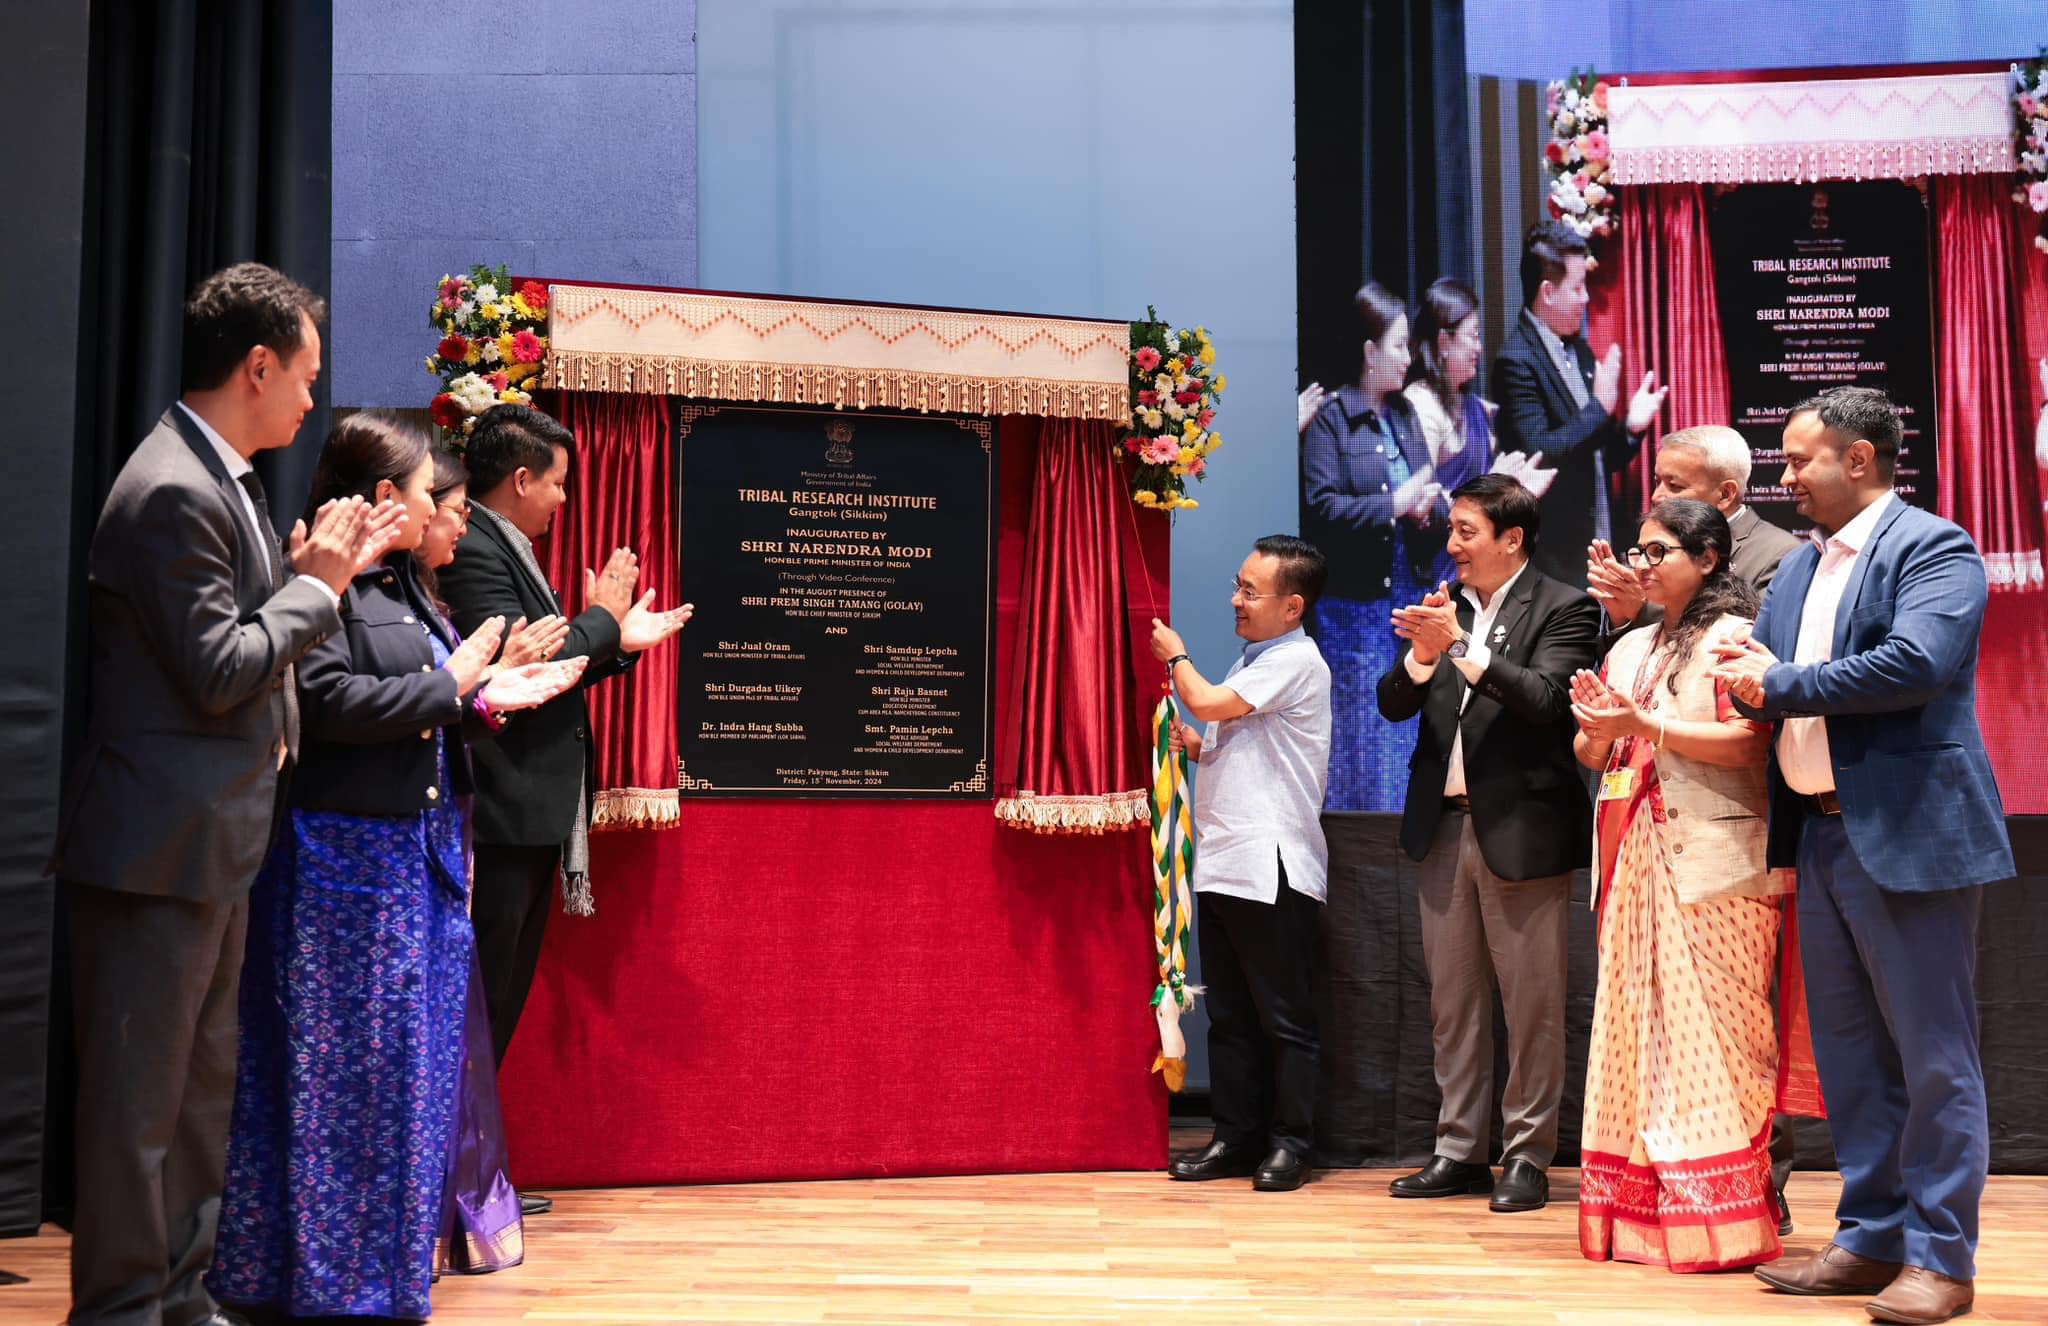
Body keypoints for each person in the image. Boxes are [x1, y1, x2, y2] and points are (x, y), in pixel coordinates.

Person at [50, 262, 405, 1326]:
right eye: (304, 376)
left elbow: (252, 646)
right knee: (136, 1114)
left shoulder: (227, 479)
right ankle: (119, 1311)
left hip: (213, 841)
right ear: (255, 366)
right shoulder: (170, 488)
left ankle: (180, 1296)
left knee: (198, 1101)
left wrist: (306, 585)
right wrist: (319, 587)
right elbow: (216, 667)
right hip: (153, 849)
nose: (311, 398)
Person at [209, 415, 585, 1321]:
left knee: (402, 1082)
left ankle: (382, 1274)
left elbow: (427, 698)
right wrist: (454, 686)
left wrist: (486, 696)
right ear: (385, 498)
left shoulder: (409, 591)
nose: (436, 511)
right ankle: (326, 1282)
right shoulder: (326, 586)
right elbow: (331, 701)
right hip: (341, 864)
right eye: (428, 494)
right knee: (341, 1082)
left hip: (407, 856)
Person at [1715, 387, 2013, 1326]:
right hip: (1824, 833)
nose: (1785, 475)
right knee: (1848, 1058)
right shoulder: (1801, 572)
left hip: (1913, 834)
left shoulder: (1935, 547)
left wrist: (1774, 682)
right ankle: (1870, 1235)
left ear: (1860, 460)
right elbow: (1760, 680)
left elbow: (1914, 664)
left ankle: (1941, 1259)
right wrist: (1737, 672)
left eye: (1801, 459)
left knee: (1933, 1059)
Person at [436, 406, 691, 1116]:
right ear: (521, 479)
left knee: (501, 997)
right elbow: (521, 673)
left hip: (530, 811)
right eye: (557, 484)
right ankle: (456, 1174)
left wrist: (617, 643)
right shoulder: (478, 552)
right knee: (480, 999)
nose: (563, 499)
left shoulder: (505, 543)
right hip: (501, 807)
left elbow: (555, 663)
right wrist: (602, 623)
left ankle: (471, 1175)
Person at [1570, 498, 1791, 1272]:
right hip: (1633, 855)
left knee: (1724, 1040)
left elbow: (1747, 744)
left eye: (1658, 550)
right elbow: (1595, 750)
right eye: (1638, 550)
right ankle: (1643, 1221)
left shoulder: (1735, 639)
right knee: (1635, 1033)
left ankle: (1724, 1224)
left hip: (1713, 865)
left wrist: (1645, 728)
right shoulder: (1629, 646)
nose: (1642, 563)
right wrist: (1599, 729)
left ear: (1707, 558)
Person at [1374, 473, 1599, 1214]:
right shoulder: (1447, 606)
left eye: (1466, 531)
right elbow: (1393, 701)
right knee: (1453, 1003)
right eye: (1451, 530)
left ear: (1512, 539)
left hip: (1522, 832)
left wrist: (1460, 645)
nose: (1451, 544)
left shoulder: (1566, 607)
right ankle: (1458, 1150)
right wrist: (1423, 654)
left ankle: (1528, 1156)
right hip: (1442, 830)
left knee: (1532, 1004)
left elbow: (1542, 701)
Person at [1148, 536, 1332, 1194]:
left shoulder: (1296, 659)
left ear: (1293, 606)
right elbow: (1241, 739)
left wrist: (1179, 660)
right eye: (1238, 585)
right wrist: (1201, 749)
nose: (1236, 599)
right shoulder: (1259, 656)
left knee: (1283, 1018)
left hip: (1272, 867)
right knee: (1230, 1016)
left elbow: (1208, 700)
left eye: (1251, 591)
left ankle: (1291, 1144)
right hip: (1227, 863)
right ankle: (1235, 1135)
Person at [1300, 283, 1437, 811]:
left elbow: (1423, 490)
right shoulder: (1333, 419)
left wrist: (1429, 507)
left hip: (1407, 597)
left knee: (1407, 726)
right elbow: (1321, 509)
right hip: (1353, 608)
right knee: (1360, 731)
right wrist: (1395, 504)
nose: (1408, 358)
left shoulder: (1404, 414)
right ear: (1369, 351)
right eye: (1399, 346)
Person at [1492, 220, 1667, 585]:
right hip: (1553, 560)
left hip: (1597, 548)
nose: (1586, 298)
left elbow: (1598, 456)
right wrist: (1599, 410)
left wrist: (1631, 428)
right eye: (1577, 288)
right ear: (1548, 293)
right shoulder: (1516, 361)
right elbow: (1540, 451)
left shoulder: (1579, 349)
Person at [1586, 425, 1802, 634]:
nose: (1656, 497)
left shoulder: (1780, 555)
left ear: (1726, 494)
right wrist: (1621, 618)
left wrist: (1641, 611)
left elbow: (1751, 643)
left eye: (1675, 486)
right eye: (1657, 482)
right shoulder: (1651, 547)